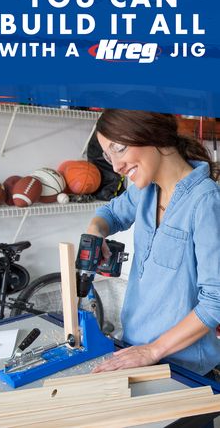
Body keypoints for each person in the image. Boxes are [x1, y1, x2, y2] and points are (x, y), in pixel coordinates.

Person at [87, 109, 220, 376]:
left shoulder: (205, 202)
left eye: (119, 149)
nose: (115, 167)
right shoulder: (143, 190)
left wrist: (153, 350)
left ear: (153, 135)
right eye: (108, 155)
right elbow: (110, 214)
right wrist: (95, 232)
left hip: (184, 367)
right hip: (134, 349)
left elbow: (215, 302)